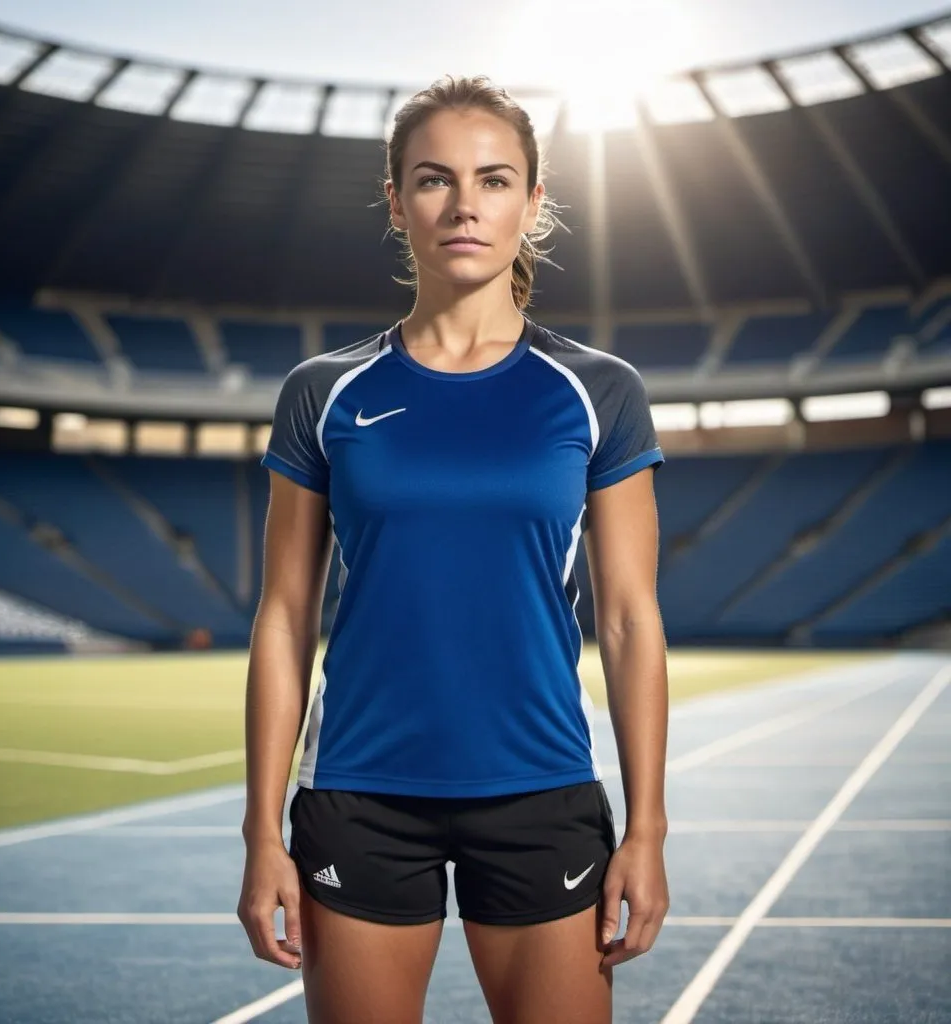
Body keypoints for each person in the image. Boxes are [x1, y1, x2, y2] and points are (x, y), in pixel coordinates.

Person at [238, 74, 670, 1024]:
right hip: (360, 793)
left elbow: (632, 620)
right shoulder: (324, 391)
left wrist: (648, 827)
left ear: (533, 201)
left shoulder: (597, 390)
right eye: (435, 179)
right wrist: (259, 830)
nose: (466, 204)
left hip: (540, 790)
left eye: (495, 179)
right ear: (396, 201)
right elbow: (283, 616)